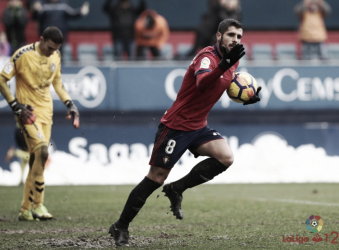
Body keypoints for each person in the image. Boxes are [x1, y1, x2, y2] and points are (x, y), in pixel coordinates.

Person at [109, 19, 261, 246]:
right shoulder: (207, 57)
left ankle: (177, 189)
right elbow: (202, 83)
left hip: (198, 126)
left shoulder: (233, 61)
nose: (235, 40)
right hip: (176, 126)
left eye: (239, 37)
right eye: (231, 35)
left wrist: (247, 95)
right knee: (155, 178)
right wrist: (223, 65)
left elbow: (228, 84)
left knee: (226, 157)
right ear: (219, 36)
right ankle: (120, 226)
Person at [0, 26, 80, 221]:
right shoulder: (22, 55)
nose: (52, 52)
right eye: (50, 47)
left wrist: (70, 103)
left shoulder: (55, 56)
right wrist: (16, 106)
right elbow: (1, 81)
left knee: (37, 159)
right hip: (27, 114)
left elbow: (57, 83)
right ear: (41, 39)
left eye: (55, 49)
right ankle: (39, 205)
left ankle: (25, 209)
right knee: (42, 151)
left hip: (46, 114)